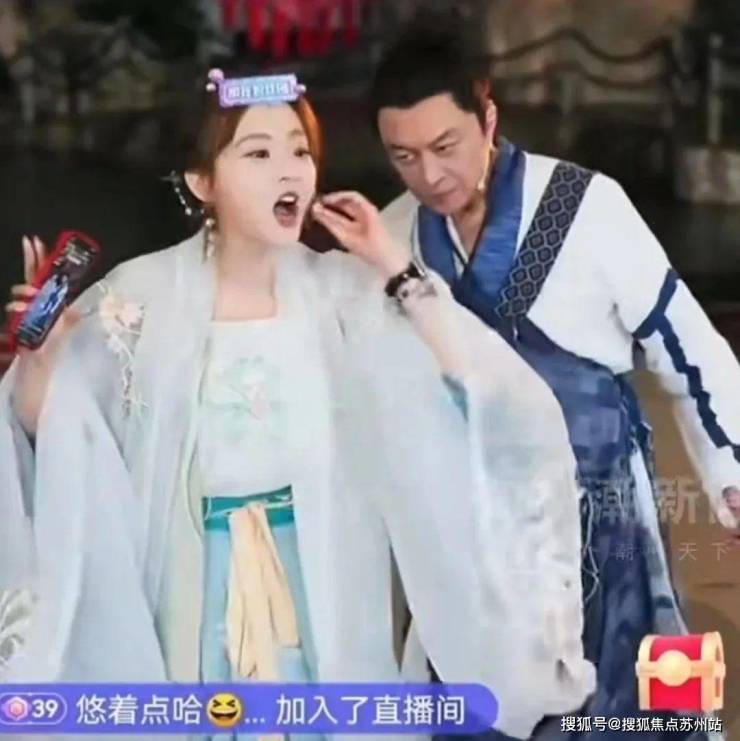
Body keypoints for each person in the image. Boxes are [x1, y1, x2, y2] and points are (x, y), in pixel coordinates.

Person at [0, 67, 595, 739]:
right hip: (195, 590)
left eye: (300, 151)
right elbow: (54, 441)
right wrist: (40, 358)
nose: (289, 171)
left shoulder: (343, 294)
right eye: (258, 154)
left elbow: (481, 392)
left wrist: (393, 266)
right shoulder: (140, 297)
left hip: (323, 581)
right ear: (203, 182)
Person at [371, 16, 740, 741]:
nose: (429, 175)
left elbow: (685, 343)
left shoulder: (584, 205)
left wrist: (732, 470)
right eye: (403, 156)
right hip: (473, 521)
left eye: (445, 146)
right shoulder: (395, 234)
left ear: (487, 114)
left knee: (626, 698)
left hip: (601, 505)